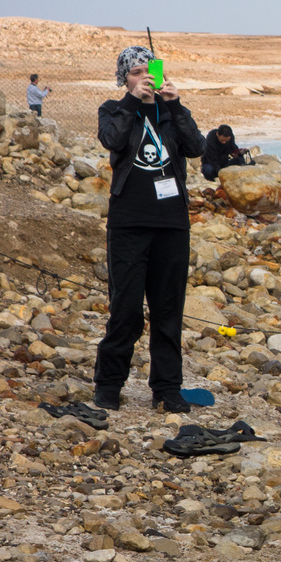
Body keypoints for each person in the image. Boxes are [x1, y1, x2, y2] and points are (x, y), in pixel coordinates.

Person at [93, 46, 204, 413]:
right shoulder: (114, 108)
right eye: (137, 72)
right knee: (125, 309)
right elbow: (113, 140)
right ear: (124, 78)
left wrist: (175, 106)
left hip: (172, 224)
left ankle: (167, 390)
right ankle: (108, 386)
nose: (145, 77)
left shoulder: (169, 111)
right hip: (129, 223)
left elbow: (196, 147)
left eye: (149, 71)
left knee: (168, 309)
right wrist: (132, 102)